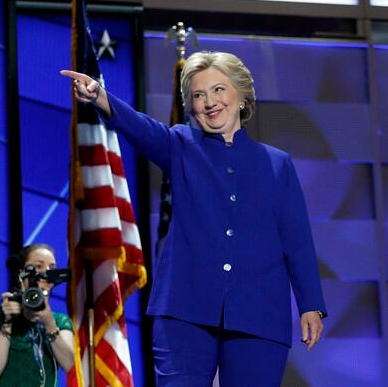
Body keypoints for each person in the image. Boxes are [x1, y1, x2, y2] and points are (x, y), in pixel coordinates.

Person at [61, 51, 327, 387]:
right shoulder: (180, 144)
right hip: (183, 312)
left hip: (259, 314)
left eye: (218, 90)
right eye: (199, 95)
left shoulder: (277, 164)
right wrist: (100, 97)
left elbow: (297, 240)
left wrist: (310, 305)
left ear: (242, 95)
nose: (210, 102)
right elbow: (140, 127)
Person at [0, 243, 74, 386]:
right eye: (38, 266)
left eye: (52, 268)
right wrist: (7, 323)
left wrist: (49, 324)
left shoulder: (60, 321)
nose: (46, 273)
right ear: (21, 273)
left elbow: (69, 365)